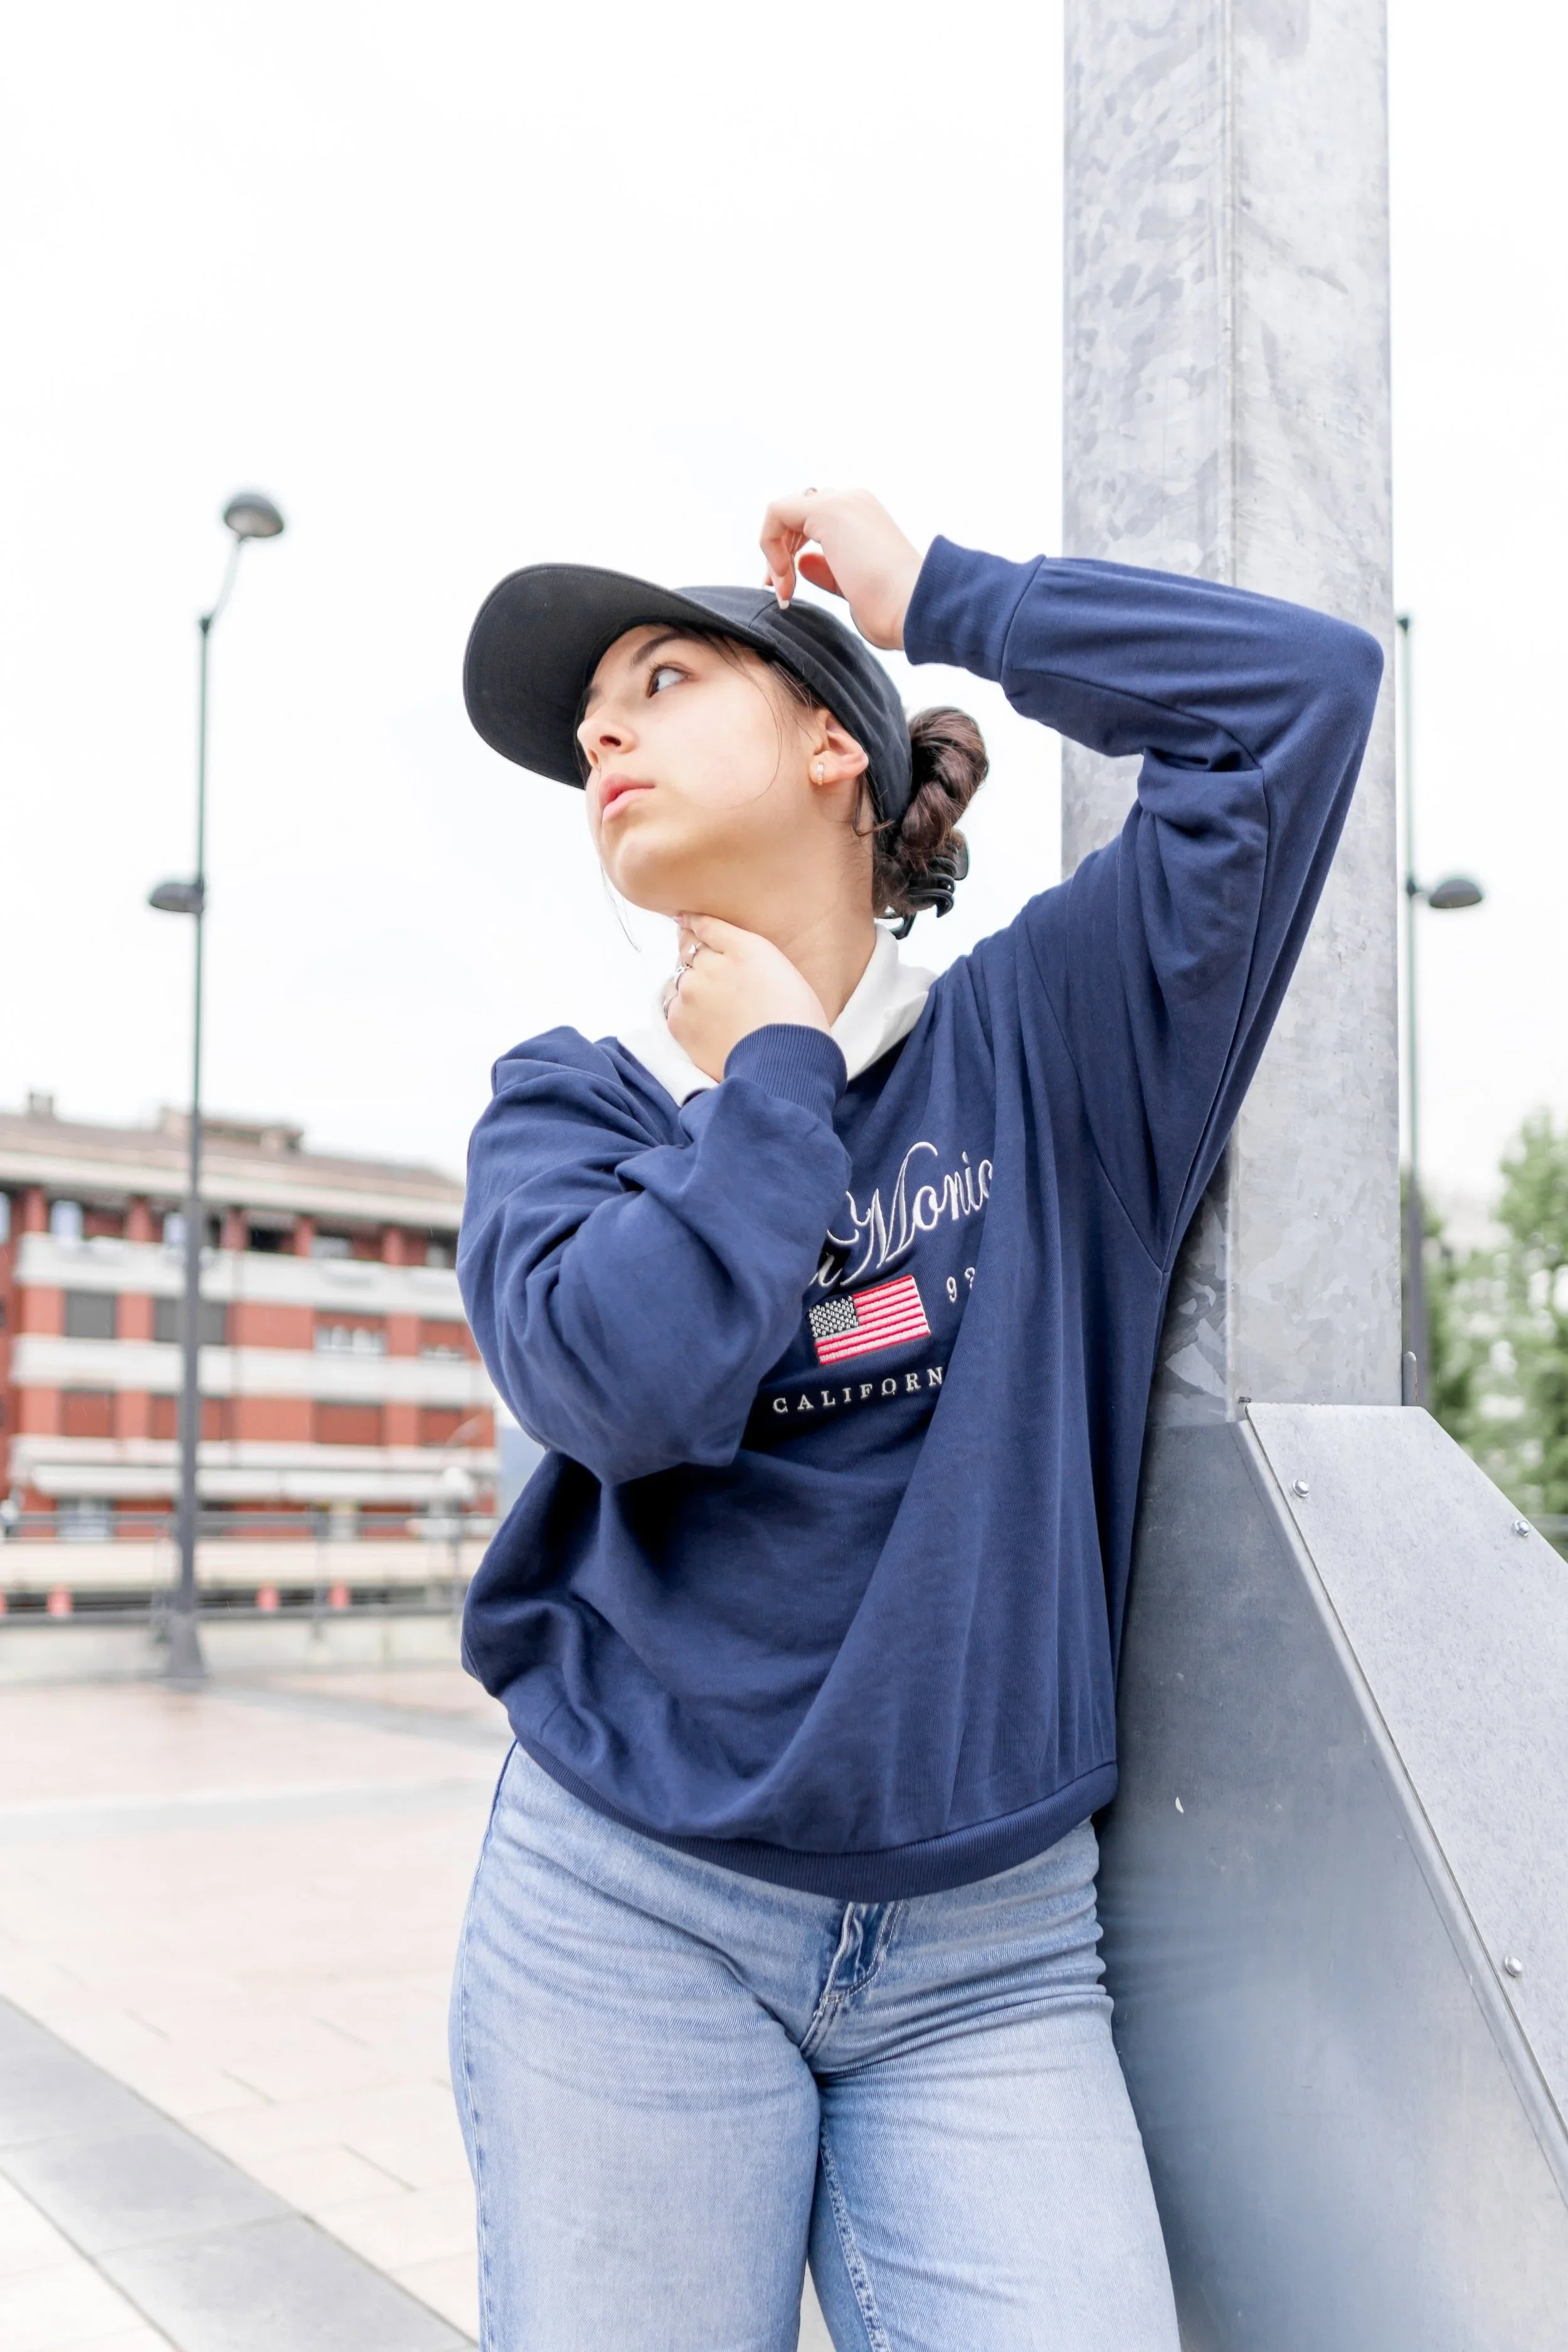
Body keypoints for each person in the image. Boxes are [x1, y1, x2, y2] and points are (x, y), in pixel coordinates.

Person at [450, 489, 1382, 2350]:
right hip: (628, 1912)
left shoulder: (1051, 1043)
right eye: (588, 728)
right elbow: (622, 1389)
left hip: (992, 1957)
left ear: (831, 742)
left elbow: (1297, 696)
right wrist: (776, 1075)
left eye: (658, 679)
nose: (603, 735)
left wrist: (947, 595)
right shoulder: (576, 1111)